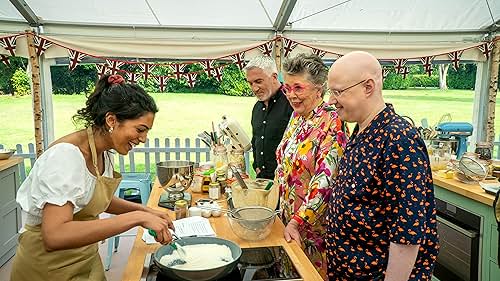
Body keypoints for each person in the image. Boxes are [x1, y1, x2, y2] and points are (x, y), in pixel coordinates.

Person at [11, 74, 174, 281]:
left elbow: (91, 199)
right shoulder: (65, 157)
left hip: (86, 260)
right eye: (140, 129)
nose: (143, 139)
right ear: (111, 120)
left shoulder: (103, 152)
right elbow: (55, 235)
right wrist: (137, 218)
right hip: (48, 269)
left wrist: (146, 210)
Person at [325, 51, 439, 281]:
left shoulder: (399, 139)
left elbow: (407, 234)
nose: (331, 101)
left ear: (368, 87)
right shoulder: (361, 128)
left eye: (338, 92)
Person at [275, 53, 348, 278]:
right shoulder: (297, 117)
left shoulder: (332, 122)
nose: (291, 95)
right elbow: (284, 166)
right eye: (287, 88)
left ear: (319, 88)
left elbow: (326, 182)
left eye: (298, 88)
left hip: (313, 231)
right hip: (288, 224)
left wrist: (298, 221)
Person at [245, 56, 293, 180]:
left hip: (286, 182)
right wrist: (257, 166)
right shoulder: (256, 108)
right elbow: (256, 140)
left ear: (274, 77)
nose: (254, 88)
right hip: (262, 180)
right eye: (250, 83)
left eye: (258, 81)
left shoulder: (292, 103)